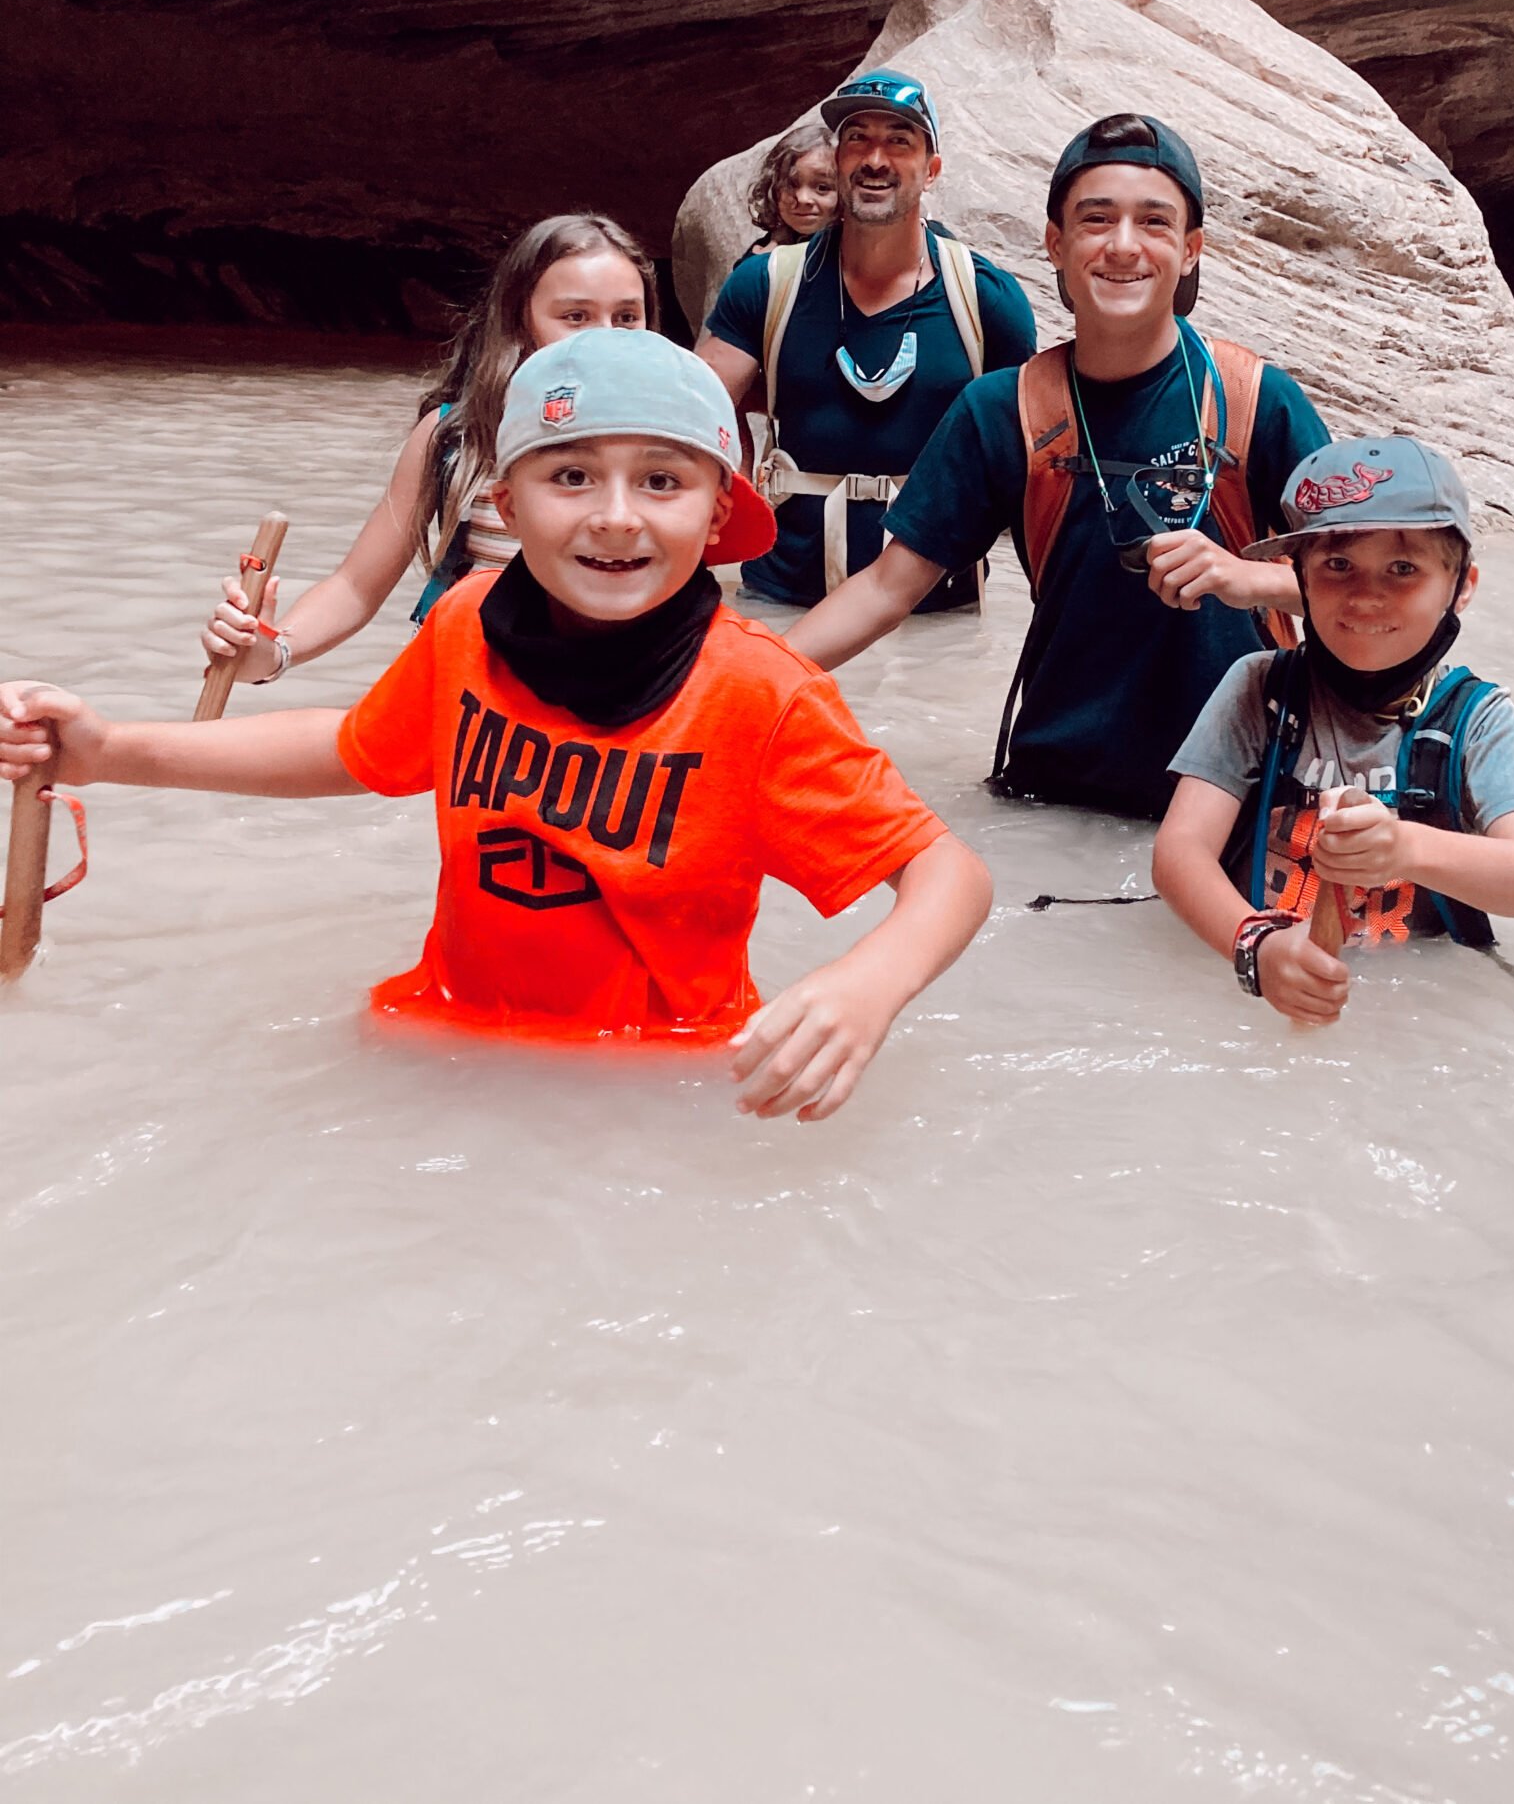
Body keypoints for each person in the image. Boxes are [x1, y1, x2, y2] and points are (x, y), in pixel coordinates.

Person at [3, 333, 991, 1117]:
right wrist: (108, 749)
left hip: (656, 1083)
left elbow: (950, 875)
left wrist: (867, 986)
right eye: (569, 477)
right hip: (444, 1042)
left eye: (662, 479)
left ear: (718, 512)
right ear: (504, 503)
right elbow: (350, 750)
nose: (615, 517)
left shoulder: (760, 696)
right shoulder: (468, 622)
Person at [787, 113, 1329, 820]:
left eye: (1154, 223)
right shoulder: (1001, 409)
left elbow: (1374, 584)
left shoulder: (1255, 400)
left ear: (1191, 250)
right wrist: (744, 678)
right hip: (1051, 800)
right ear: (1056, 243)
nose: (1123, 246)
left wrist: (1242, 577)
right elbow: (887, 590)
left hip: (1236, 804)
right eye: (1096, 219)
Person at [1152, 436, 1514, 1024]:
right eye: (1337, 566)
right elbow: (1179, 854)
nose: (1367, 597)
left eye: (1402, 569)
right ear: (1300, 580)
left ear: (1461, 587)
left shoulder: (1478, 718)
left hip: (1417, 1010)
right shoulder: (1259, 687)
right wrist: (1255, 947)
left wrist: (1404, 847)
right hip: (1267, 971)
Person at [199, 211, 657, 689]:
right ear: (520, 322)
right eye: (576, 317)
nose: (606, 338)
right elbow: (356, 587)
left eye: (626, 318)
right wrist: (272, 650)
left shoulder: (677, 452)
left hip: (615, 698)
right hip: (471, 691)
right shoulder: (459, 436)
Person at [693, 71, 1036, 609]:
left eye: (899, 140)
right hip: (783, 600)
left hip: (936, 611)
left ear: (931, 170)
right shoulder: (766, 284)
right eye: (859, 138)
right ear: (839, 161)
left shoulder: (986, 298)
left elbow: (1028, 453)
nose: (876, 158)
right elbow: (691, 413)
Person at [741, 120, 838, 252]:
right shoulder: (764, 250)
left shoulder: (855, 248)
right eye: (790, 185)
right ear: (772, 190)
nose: (803, 199)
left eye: (822, 188)